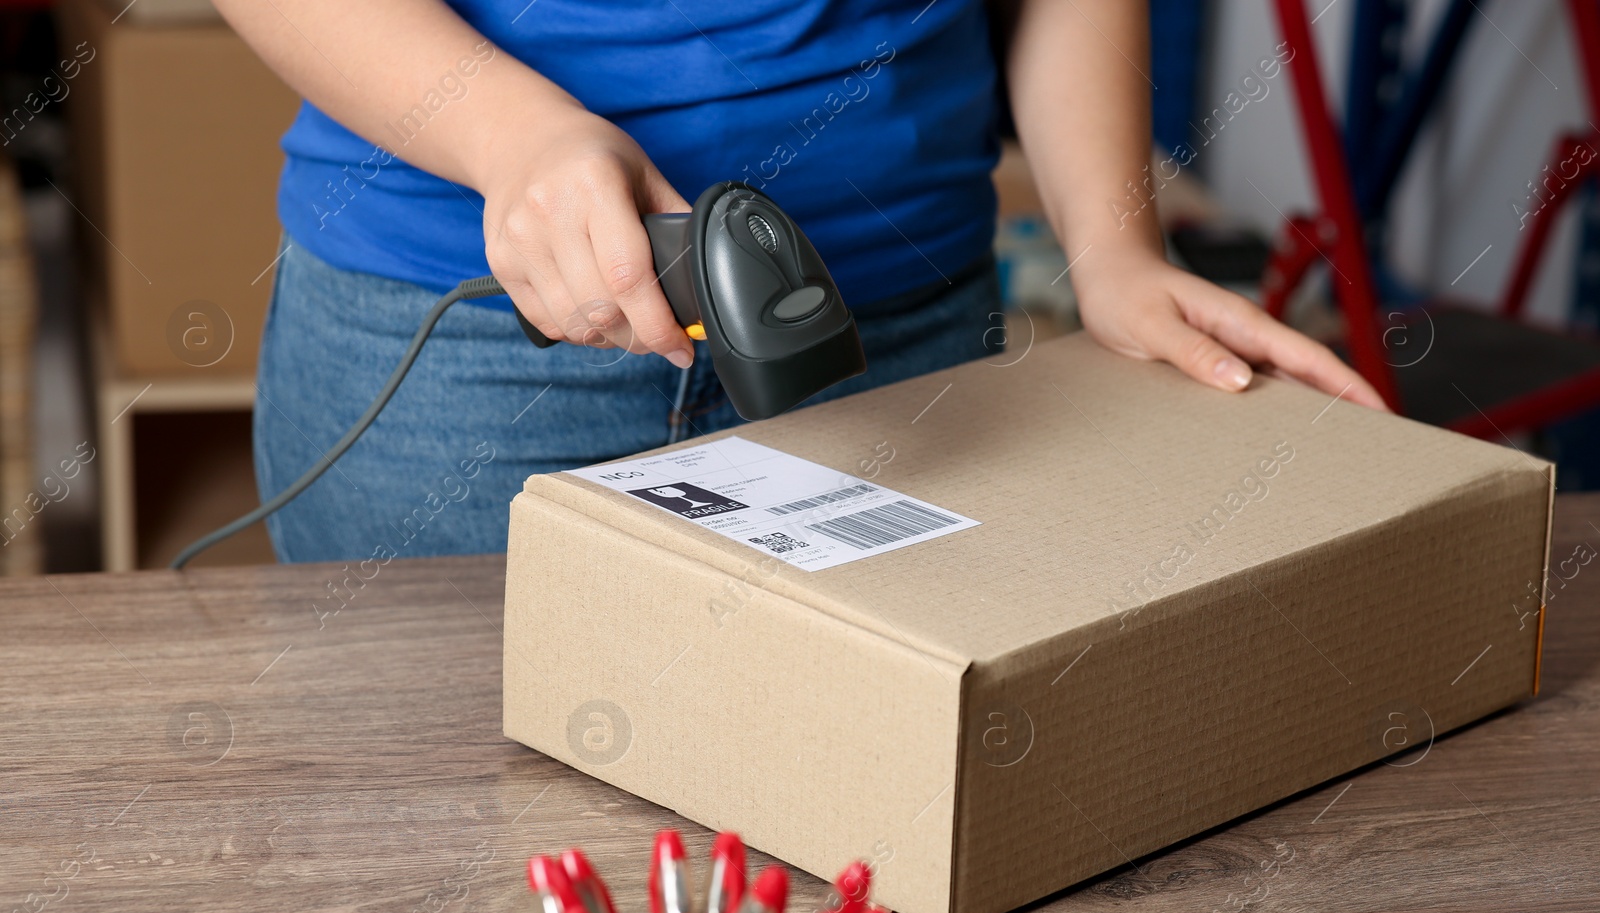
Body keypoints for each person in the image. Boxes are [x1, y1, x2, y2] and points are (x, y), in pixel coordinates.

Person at [215, 0, 1385, 563]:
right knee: (454, 887)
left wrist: (1114, 245)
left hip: (902, 344)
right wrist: (509, 138)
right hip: (464, 352)